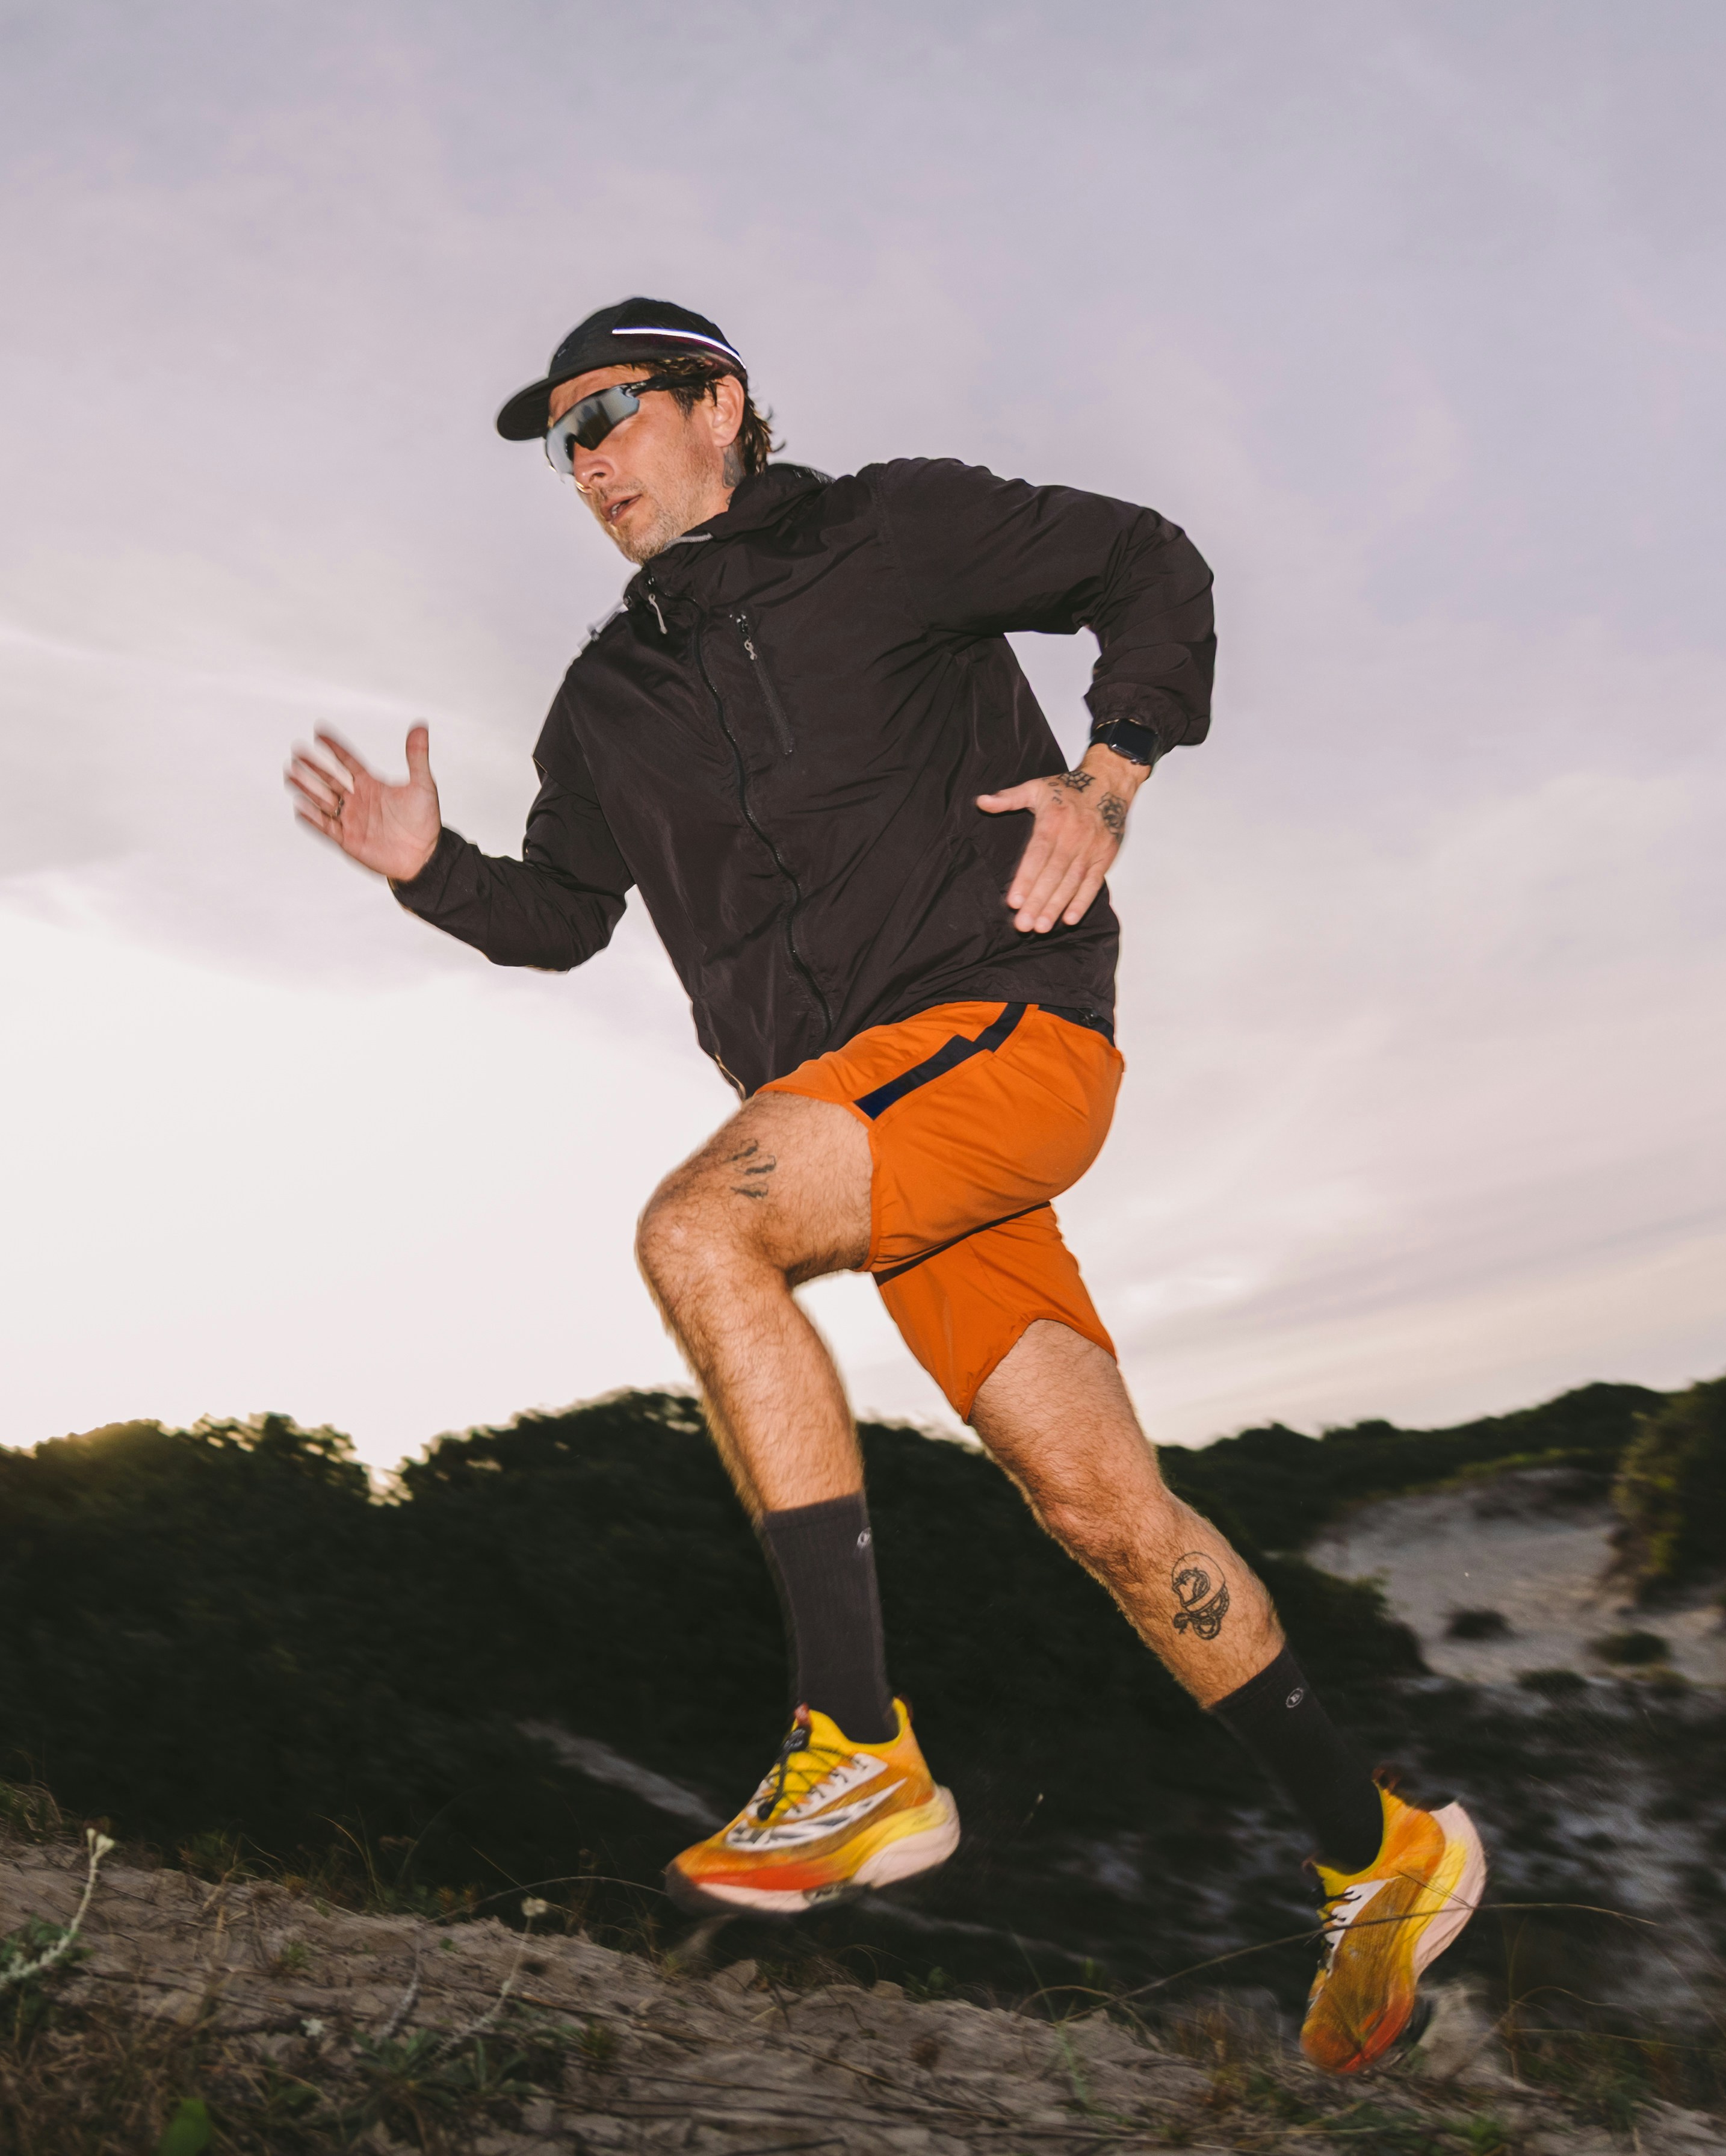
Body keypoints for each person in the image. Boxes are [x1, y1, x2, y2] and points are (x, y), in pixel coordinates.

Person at [286, 298, 1481, 2073]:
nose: (587, 458)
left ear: (722, 404)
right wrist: (425, 868)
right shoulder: (607, 700)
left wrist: (1110, 772)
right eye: (562, 438)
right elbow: (558, 914)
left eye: (610, 412)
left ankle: (853, 1747)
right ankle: (1383, 1853)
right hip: (882, 1140)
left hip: (1001, 1027)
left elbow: (1150, 564)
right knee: (1110, 1523)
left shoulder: (888, 530)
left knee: (700, 1228)